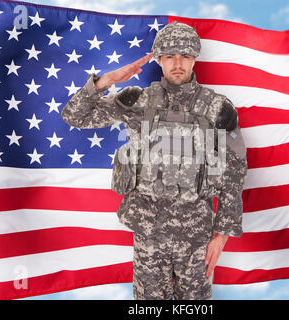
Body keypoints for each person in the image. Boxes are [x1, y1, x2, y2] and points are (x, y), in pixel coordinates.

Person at [61, 21, 247, 300]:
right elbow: (74, 116)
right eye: (170, 56)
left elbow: (235, 171)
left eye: (184, 56)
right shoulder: (137, 101)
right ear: (159, 60)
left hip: (196, 237)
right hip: (149, 235)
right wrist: (107, 80)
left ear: (194, 58)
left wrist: (221, 235)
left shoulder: (218, 107)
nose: (177, 64)